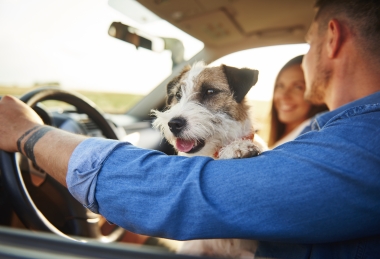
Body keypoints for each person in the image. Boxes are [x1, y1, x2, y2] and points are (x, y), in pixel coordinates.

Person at [0, 0, 380, 258]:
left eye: (308, 40)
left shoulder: (365, 144)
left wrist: (30, 134)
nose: (304, 56)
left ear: (332, 38)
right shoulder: (333, 135)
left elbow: (188, 194)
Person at [268, 55, 328, 148]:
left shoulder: (310, 137)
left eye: (298, 87)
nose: (284, 96)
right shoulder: (288, 135)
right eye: (280, 86)